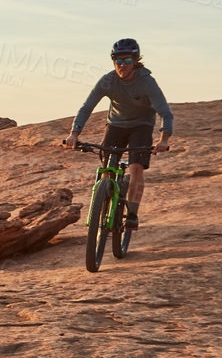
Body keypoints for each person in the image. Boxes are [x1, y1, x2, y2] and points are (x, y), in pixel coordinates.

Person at [63, 38, 173, 227]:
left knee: (136, 167)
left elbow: (165, 112)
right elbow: (86, 107)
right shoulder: (107, 80)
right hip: (115, 124)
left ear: (136, 61)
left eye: (127, 60)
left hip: (141, 125)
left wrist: (163, 139)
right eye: (118, 61)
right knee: (107, 165)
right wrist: (74, 133)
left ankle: (131, 213)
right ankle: (103, 203)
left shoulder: (147, 82)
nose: (122, 65)